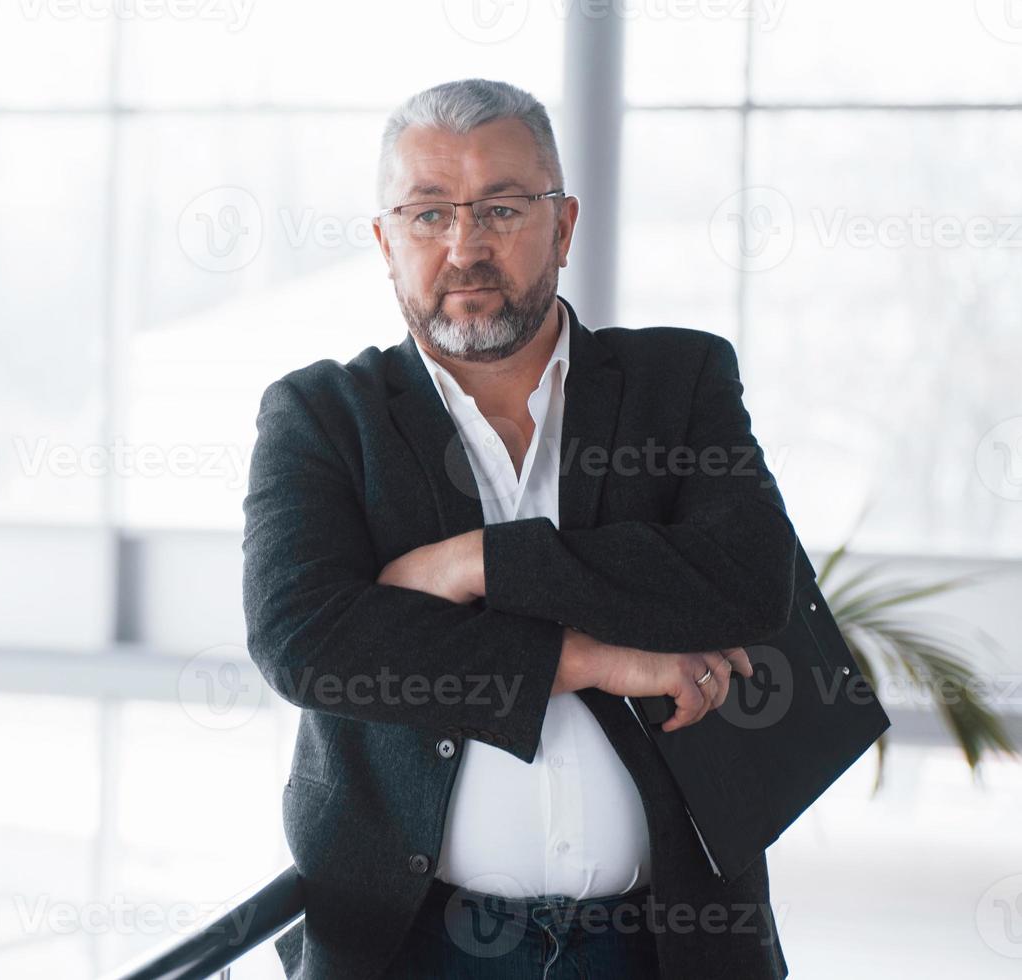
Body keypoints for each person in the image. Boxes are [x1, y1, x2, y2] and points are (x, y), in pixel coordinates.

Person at [241, 78, 795, 979]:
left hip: (661, 945)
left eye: (502, 208)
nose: (465, 247)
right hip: (408, 944)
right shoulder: (321, 415)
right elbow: (304, 640)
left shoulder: (679, 379)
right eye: (427, 215)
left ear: (564, 227)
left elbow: (747, 578)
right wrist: (599, 659)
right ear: (385, 243)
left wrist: (479, 562)